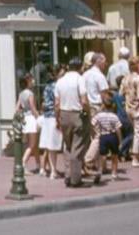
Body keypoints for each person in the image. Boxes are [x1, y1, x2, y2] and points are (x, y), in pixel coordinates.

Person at [54, 56, 88, 187]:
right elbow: (84, 100)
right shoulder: (80, 79)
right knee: (77, 147)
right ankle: (75, 178)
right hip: (77, 114)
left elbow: (56, 104)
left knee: (67, 146)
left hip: (63, 114)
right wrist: (88, 111)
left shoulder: (60, 81)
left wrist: (57, 118)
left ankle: (68, 175)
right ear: (80, 67)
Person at [82, 52, 109, 170]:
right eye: (104, 61)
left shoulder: (85, 75)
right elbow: (104, 95)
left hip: (87, 106)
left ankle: (100, 165)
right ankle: (88, 159)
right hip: (97, 107)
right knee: (100, 136)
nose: (105, 64)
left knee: (93, 136)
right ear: (98, 61)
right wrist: (108, 105)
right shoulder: (99, 76)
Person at [120, 56, 139, 167]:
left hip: (128, 108)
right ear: (136, 66)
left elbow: (120, 93)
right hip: (137, 109)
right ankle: (135, 159)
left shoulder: (125, 78)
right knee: (138, 133)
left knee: (135, 132)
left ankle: (134, 153)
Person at [39, 65, 64, 179]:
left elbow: (44, 102)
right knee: (53, 145)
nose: (64, 76)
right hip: (54, 116)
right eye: (62, 74)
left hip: (48, 117)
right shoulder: (56, 86)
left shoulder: (48, 87)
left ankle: (52, 170)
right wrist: (58, 118)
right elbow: (57, 104)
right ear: (57, 75)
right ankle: (53, 170)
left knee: (50, 146)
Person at [17, 74, 41, 174]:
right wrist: (38, 117)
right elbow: (32, 107)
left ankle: (39, 165)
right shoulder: (30, 93)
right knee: (32, 145)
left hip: (25, 119)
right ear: (28, 81)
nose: (33, 81)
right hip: (31, 119)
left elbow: (17, 108)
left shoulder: (21, 93)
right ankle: (22, 164)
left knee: (34, 145)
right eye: (31, 80)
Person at [94, 99, 122, 180]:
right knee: (114, 156)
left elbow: (93, 123)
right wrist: (120, 140)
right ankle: (114, 173)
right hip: (112, 136)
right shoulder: (114, 116)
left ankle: (100, 170)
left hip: (103, 135)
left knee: (103, 155)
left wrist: (97, 131)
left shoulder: (99, 116)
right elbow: (118, 129)